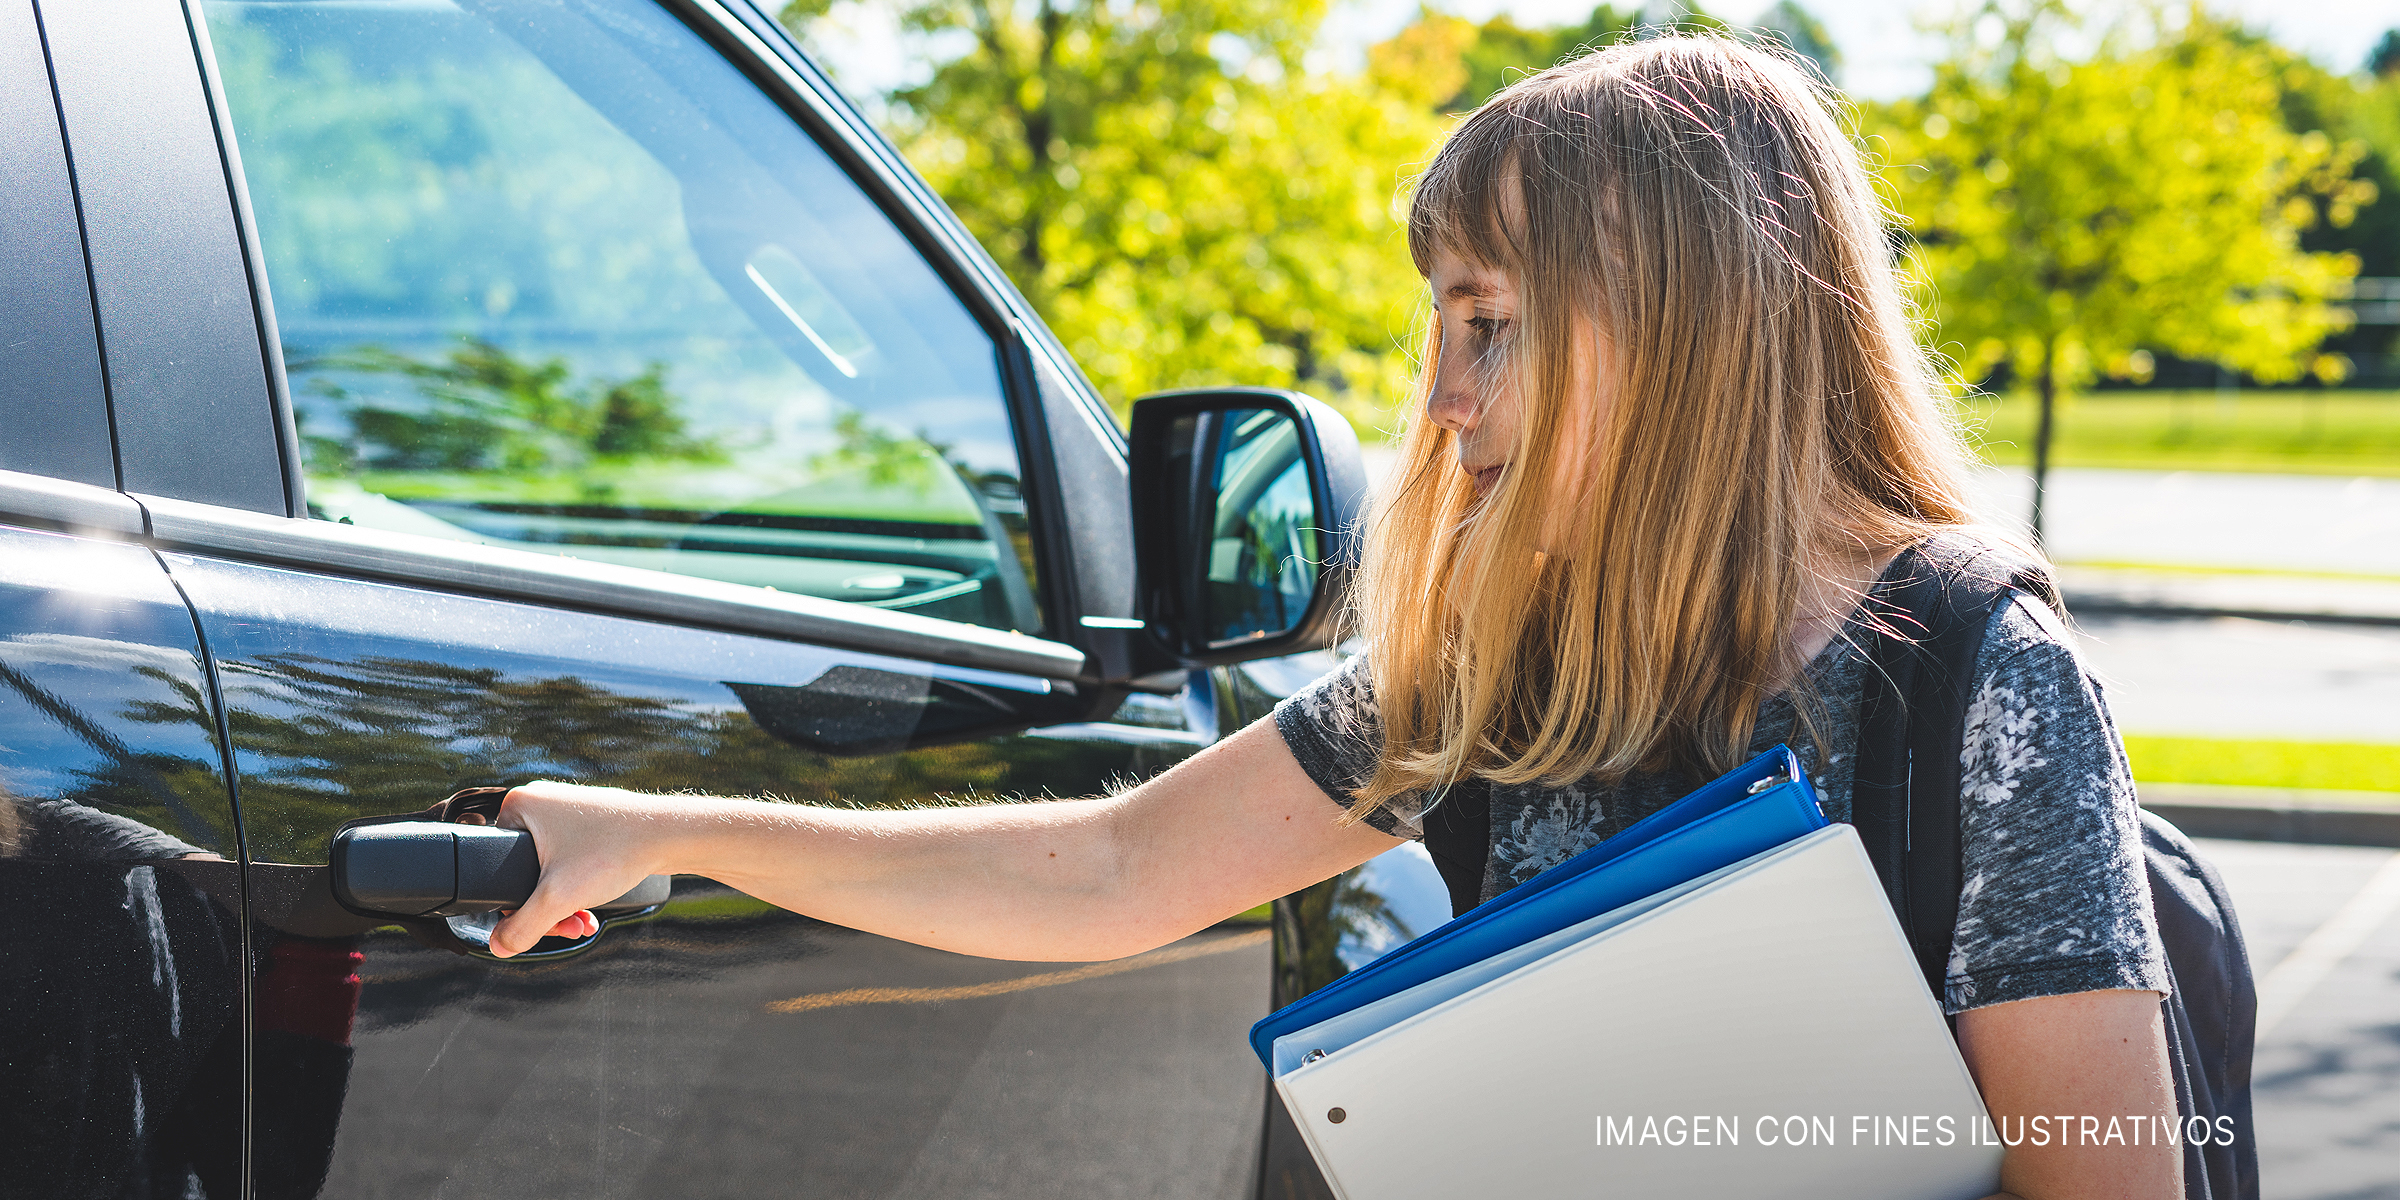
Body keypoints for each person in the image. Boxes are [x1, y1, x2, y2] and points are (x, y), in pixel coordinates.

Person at [492, 34, 2181, 1199]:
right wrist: (664, 831)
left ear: (1680, 325)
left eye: (1491, 322)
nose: (1439, 395)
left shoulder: (1979, 673)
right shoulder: (1500, 672)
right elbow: (1109, 869)